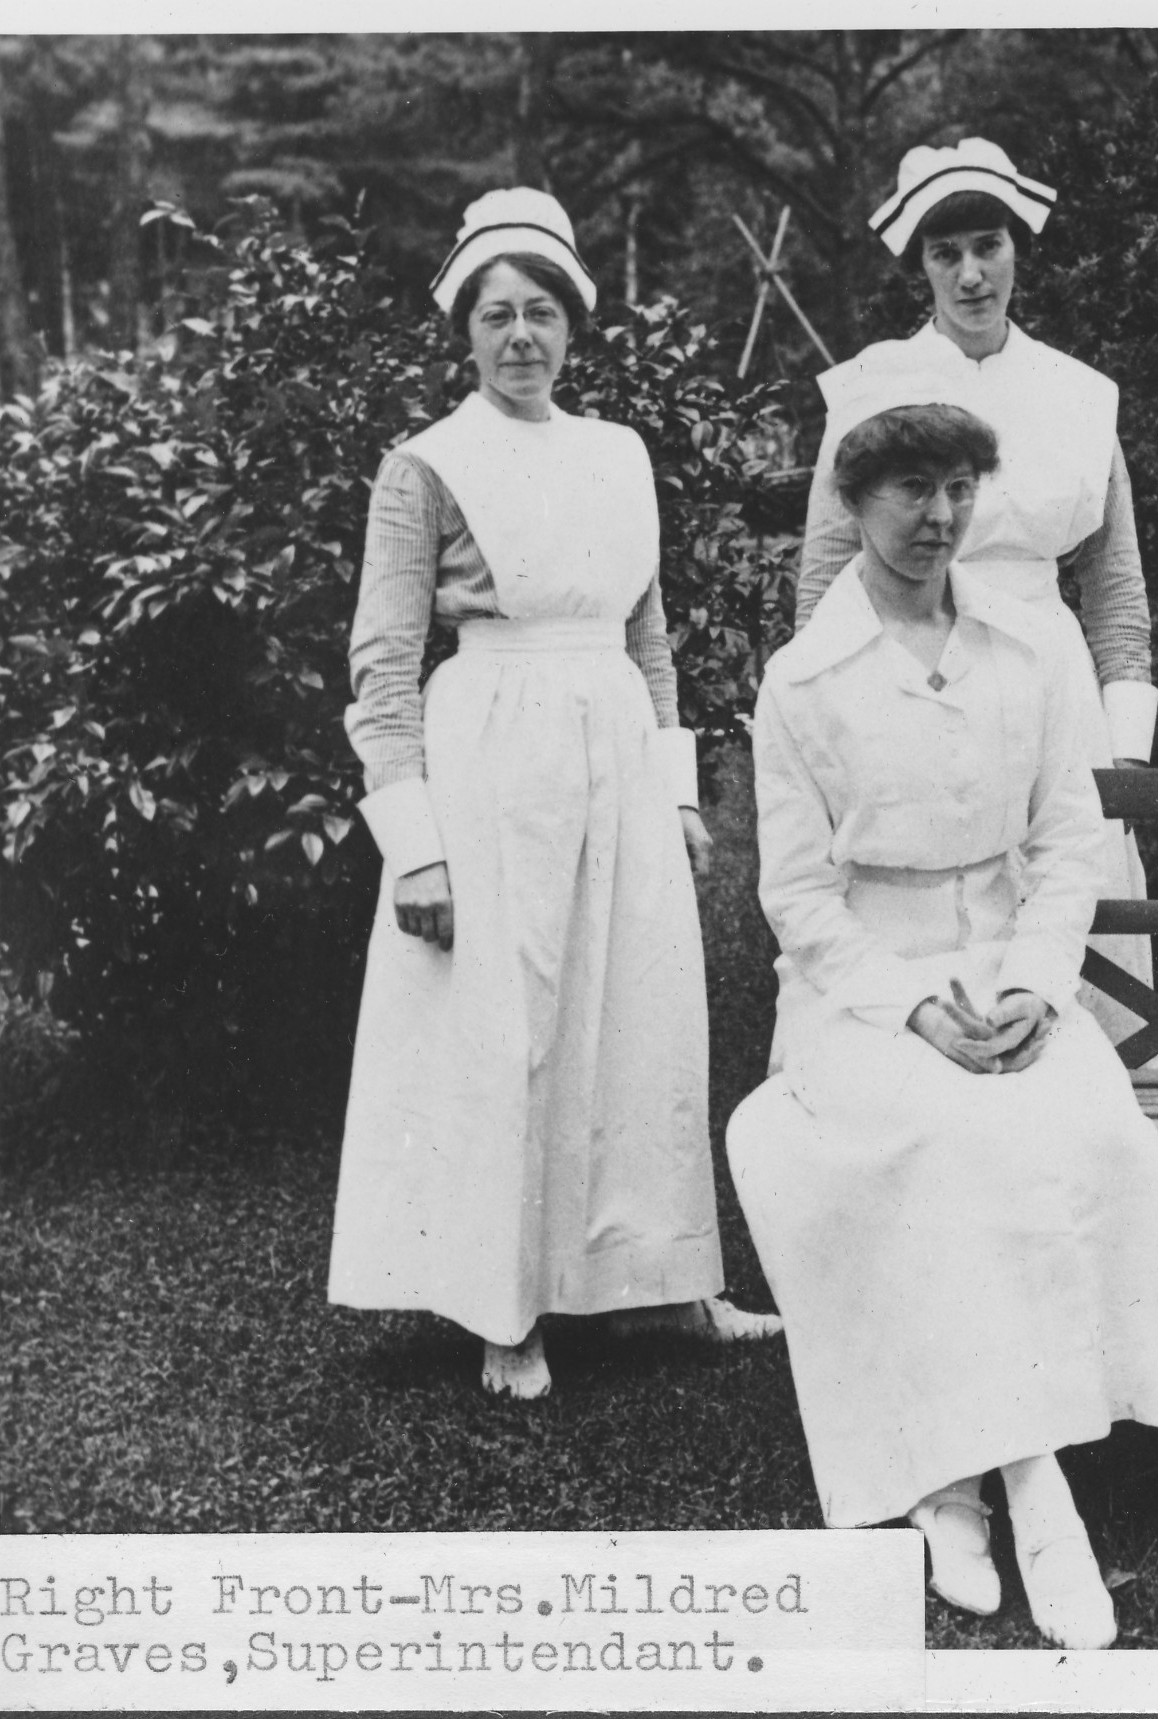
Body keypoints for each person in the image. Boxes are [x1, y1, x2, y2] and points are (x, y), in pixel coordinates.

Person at [728, 376, 1158, 1651]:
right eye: (912, 491)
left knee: (1074, 1122)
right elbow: (798, 898)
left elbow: (1065, 846)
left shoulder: (1026, 650)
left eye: (958, 490)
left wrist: (1037, 987)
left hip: (1009, 978)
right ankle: (1030, 1494)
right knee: (946, 1141)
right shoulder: (804, 680)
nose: (940, 517)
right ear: (854, 501)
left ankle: (959, 1479)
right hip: (866, 997)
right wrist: (916, 1011)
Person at [329, 189, 778, 1400]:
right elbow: (383, 669)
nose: (521, 335)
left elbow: (650, 637)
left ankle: (668, 1281)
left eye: (541, 312)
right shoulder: (426, 466)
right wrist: (415, 846)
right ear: (466, 332)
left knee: (645, 1018)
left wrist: (677, 792)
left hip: (616, 749)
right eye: (498, 315)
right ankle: (507, 1309)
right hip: (492, 757)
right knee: (510, 1031)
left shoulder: (617, 454)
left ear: (573, 324)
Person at [798, 137, 1158, 1049]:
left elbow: (1114, 582)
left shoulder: (1079, 394)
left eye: (988, 246)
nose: (970, 275)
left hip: (1048, 676)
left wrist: (1125, 748)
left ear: (1016, 250)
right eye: (945, 252)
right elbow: (825, 569)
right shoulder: (872, 387)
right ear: (920, 265)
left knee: (1071, 905)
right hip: (906, 669)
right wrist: (827, 723)